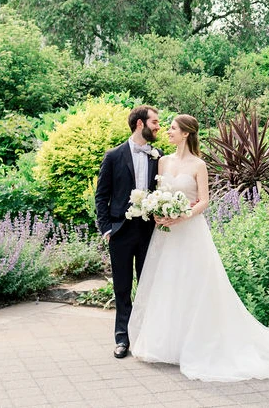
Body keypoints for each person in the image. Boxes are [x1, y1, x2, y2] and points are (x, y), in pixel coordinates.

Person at [128, 114, 269, 381]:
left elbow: (204, 201)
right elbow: (157, 194)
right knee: (167, 283)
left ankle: (198, 344)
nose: (168, 131)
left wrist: (182, 216)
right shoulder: (163, 161)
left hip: (189, 231)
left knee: (195, 285)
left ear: (186, 133)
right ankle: (167, 344)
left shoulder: (198, 165)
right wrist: (158, 212)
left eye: (173, 128)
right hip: (165, 234)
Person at [95, 105, 162, 359]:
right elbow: (101, 196)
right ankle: (122, 339)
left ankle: (145, 337)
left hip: (149, 231)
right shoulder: (113, 156)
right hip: (121, 231)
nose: (158, 127)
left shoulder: (158, 155)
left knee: (148, 285)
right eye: (154, 122)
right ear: (139, 124)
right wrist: (106, 229)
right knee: (122, 288)